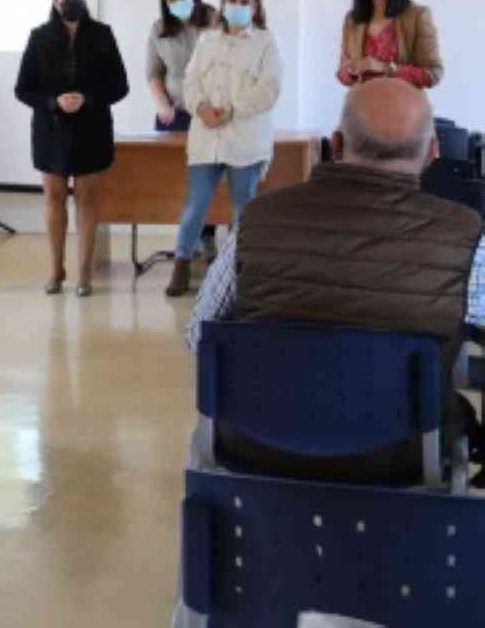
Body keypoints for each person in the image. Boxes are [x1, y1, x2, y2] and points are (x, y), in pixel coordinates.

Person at [187, 78, 481, 483]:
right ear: (434, 150)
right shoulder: (466, 235)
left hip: (258, 445)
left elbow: (198, 336)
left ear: (336, 143)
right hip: (404, 455)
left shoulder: (257, 218)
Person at [165, 0, 281, 297]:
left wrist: (230, 111)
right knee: (195, 206)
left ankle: (240, 272)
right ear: (223, 2)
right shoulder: (207, 41)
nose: (238, 6)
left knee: (243, 210)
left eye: (245, 1)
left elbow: (268, 90)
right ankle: (182, 264)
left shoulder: (265, 43)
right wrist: (201, 108)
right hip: (206, 137)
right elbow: (190, 82)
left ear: (256, 7)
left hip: (244, 139)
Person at [15, 0, 129, 296]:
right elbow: (23, 90)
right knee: (53, 198)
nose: (71, 1)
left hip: (92, 129)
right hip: (51, 131)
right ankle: (56, 271)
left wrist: (87, 99)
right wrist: (54, 102)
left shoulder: (103, 35)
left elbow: (120, 85)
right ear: (54, 0)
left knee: (87, 201)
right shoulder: (39, 37)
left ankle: (84, 274)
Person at [147, 0, 219, 259]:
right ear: (165, 4)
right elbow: (153, 73)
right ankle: (186, 241)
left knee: (209, 178)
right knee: (180, 180)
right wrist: (163, 105)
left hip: (210, 110)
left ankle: (208, 237)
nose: (179, 1)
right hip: (176, 112)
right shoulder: (159, 29)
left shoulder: (213, 18)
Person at [337, 0, 443, 89]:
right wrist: (350, 70)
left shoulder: (418, 15)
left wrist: (385, 67)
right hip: (362, 106)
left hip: (403, 107)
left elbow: (433, 74)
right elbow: (342, 76)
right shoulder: (352, 20)